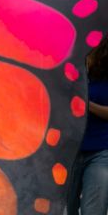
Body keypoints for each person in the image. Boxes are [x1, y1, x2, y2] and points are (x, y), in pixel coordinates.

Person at [67, 34, 108, 215]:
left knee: (93, 208)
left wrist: (86, 103)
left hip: (102, 151)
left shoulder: (103, 79)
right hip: (71, 151)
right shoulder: (76, 73)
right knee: (68, 205)